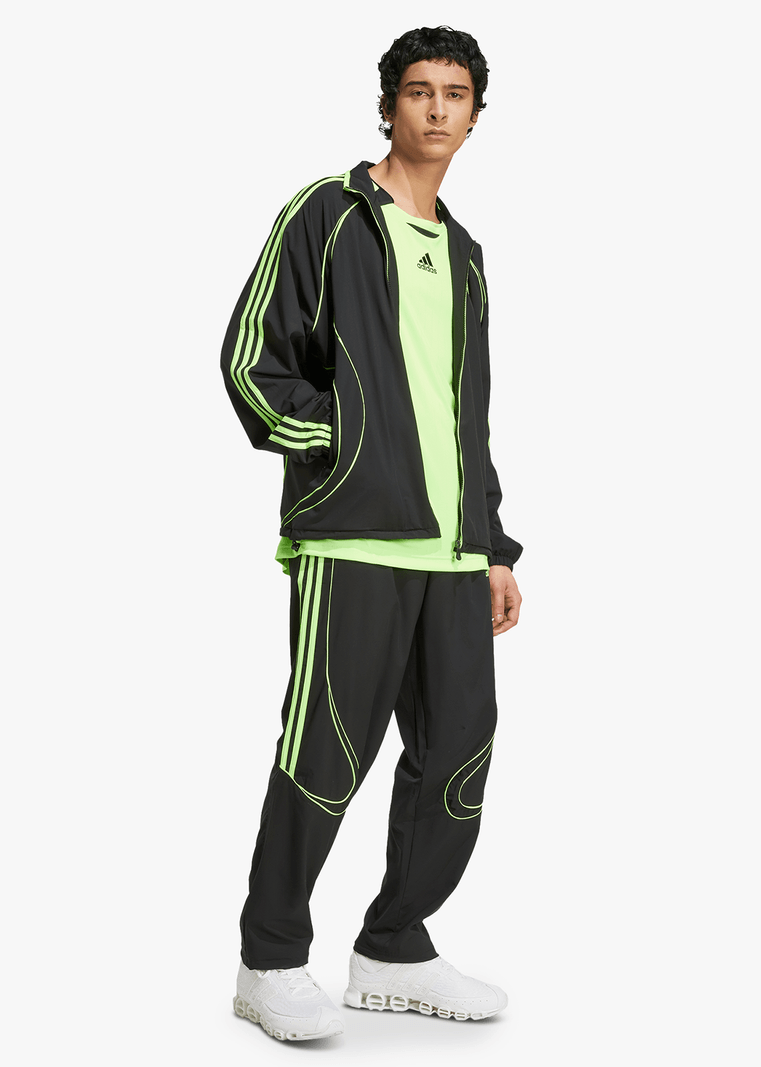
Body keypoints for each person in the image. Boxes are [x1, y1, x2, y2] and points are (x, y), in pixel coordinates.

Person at [220, 25, 523, 1043]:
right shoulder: (328, 214)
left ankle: (394, 947)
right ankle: (268, 959)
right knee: (326, 748)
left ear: (475, 114)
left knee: (458, 752)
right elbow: (251, 363)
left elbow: (462, 416)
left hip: (452, 552)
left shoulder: (466, 256)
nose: (436, 108)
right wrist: (348, 446)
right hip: (352, 539)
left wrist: (492, 544)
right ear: (388, 105)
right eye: (418, 90)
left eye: (455, 93)